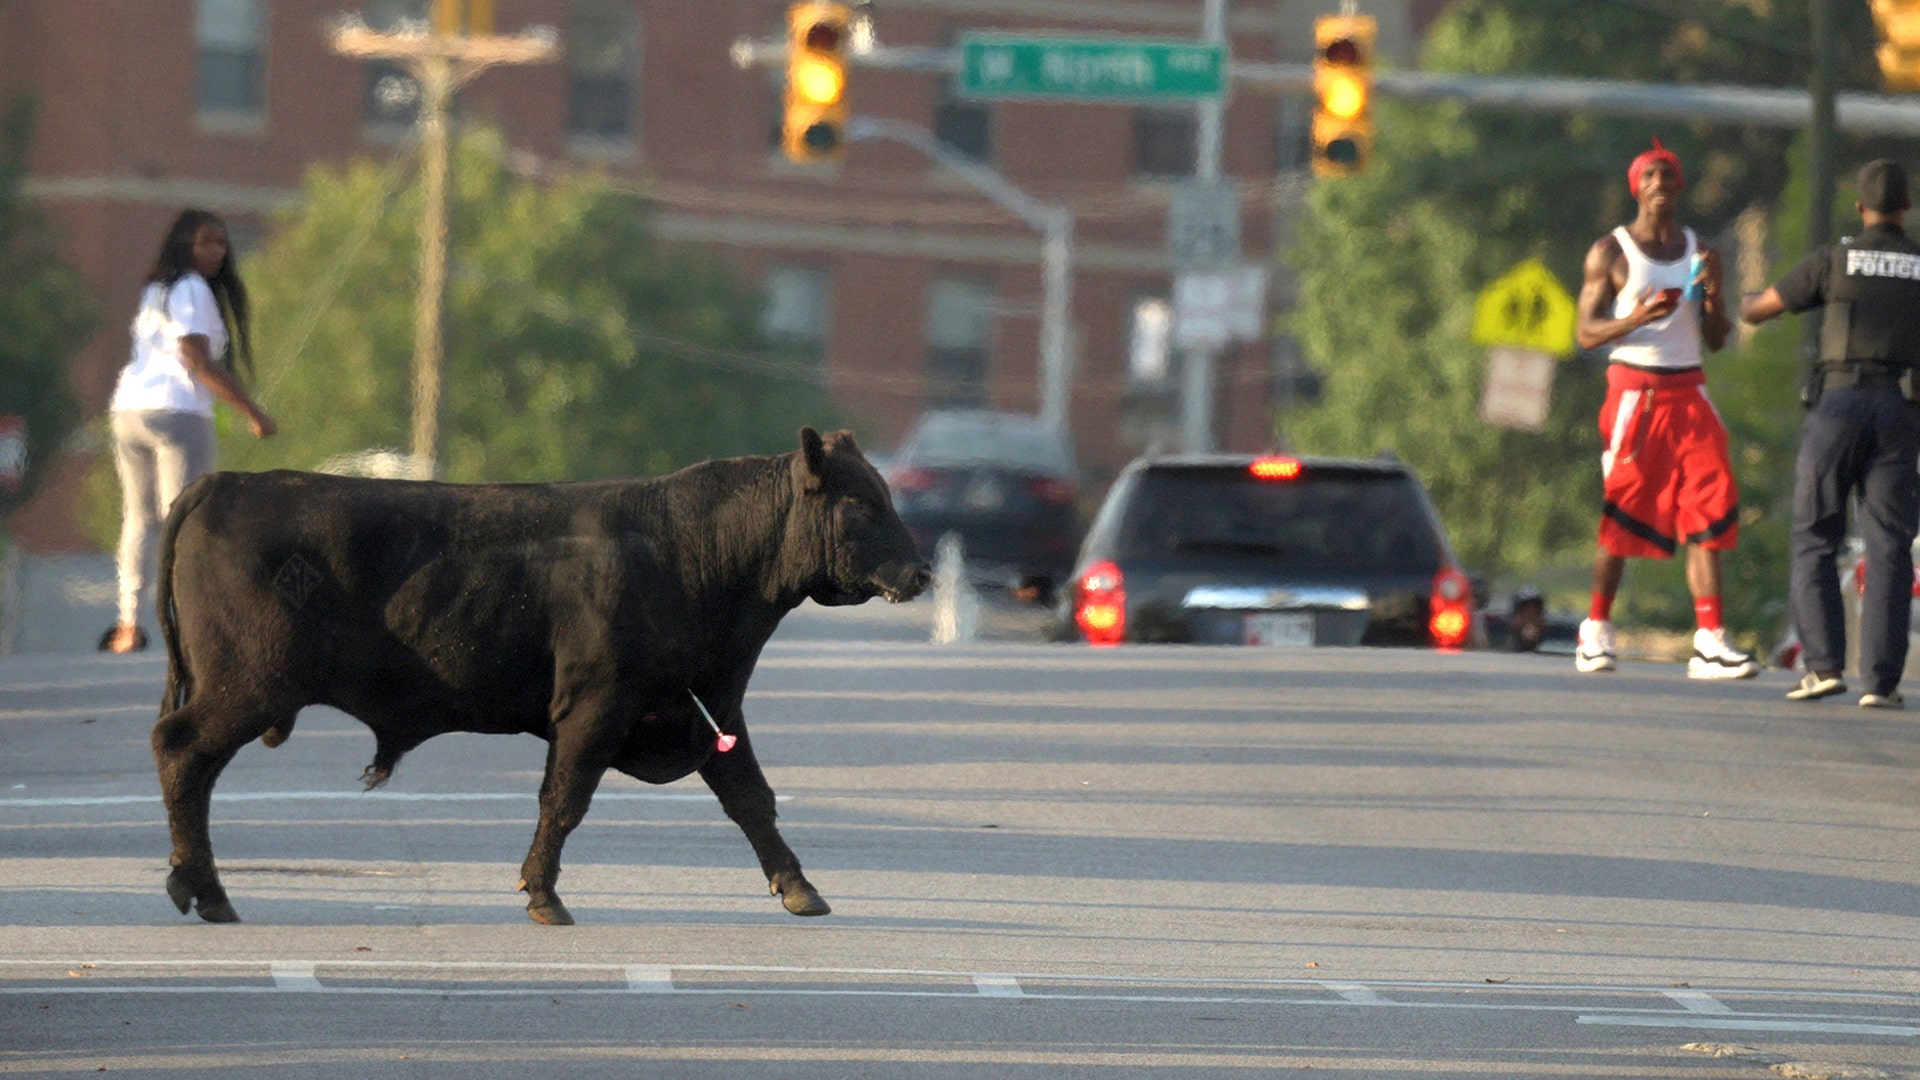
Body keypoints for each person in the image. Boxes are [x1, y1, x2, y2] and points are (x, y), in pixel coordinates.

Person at [1570, 140, 1756, 679]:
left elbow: (1717, 339)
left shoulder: (1702, 251)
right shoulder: (1612, 251)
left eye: (1669, 175)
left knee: (1710, 509)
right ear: (1637, 186)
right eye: (1651, 175)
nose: (1661, 183)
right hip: (1635, 393)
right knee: (1625, 510)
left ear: (1680, 187)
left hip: (1690, 392)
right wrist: (1637, 318)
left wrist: (1716, 298)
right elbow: (1584, 333)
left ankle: (1710, 639)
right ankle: (1596, 630)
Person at [1742, 160, 1920, 708]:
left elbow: (1760, 310)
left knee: (1817, 532)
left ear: (1861, 209)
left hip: (1837, 407)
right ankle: (1882, 683)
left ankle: (1822, 667)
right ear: (1905, 209)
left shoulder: (1834, 260)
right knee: (1890, 544)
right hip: (1900, 409)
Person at [99, 209, 276, 654]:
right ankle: (191, 620)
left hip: (129, 410)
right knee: (187, 520)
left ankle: (128, 624)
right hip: (177, 413)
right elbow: (195, 358)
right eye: (207, 243)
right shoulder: (194, 289)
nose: (217, 251)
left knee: (140, 519)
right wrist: (252, 412)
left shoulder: (156, 290)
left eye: (222, 243)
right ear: (185, 245)